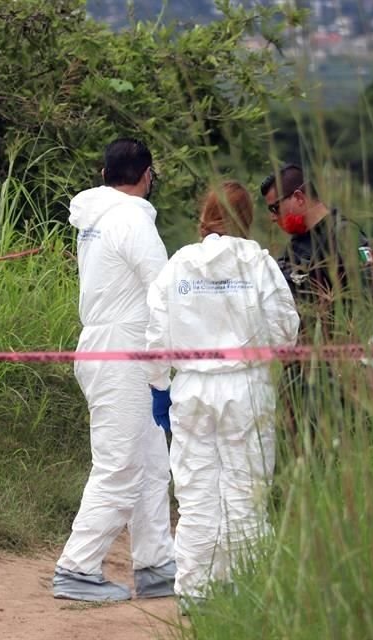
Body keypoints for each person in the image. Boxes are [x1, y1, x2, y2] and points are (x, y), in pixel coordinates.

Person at [144, 181, 300, 608]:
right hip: (246, 386)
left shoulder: (180, 264)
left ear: (204, 216)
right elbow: (286, 329)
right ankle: (246, 591)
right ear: (246, 218)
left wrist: (160, 387)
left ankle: (195, 593)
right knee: (245, 492)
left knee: (195, 495)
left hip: (191, 388)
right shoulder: (258, 262)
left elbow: (155, 335)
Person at [53, 138, 176, 602]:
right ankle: (77, 568)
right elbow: (162, 293)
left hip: (109, 346)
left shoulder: (96, 219)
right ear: (145, 175)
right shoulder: (131, 220)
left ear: (105, 172)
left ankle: (156, 564)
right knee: (121, 465)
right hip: (126, 350)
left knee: (150, 462)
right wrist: (164, 367)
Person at [259, 163, 373, 450]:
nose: (273, 218)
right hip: (298, 380)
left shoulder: (344, 236)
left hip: (341, 376)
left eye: (275, 208)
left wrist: (338, 347)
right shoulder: (294, 249)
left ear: (299, 198)